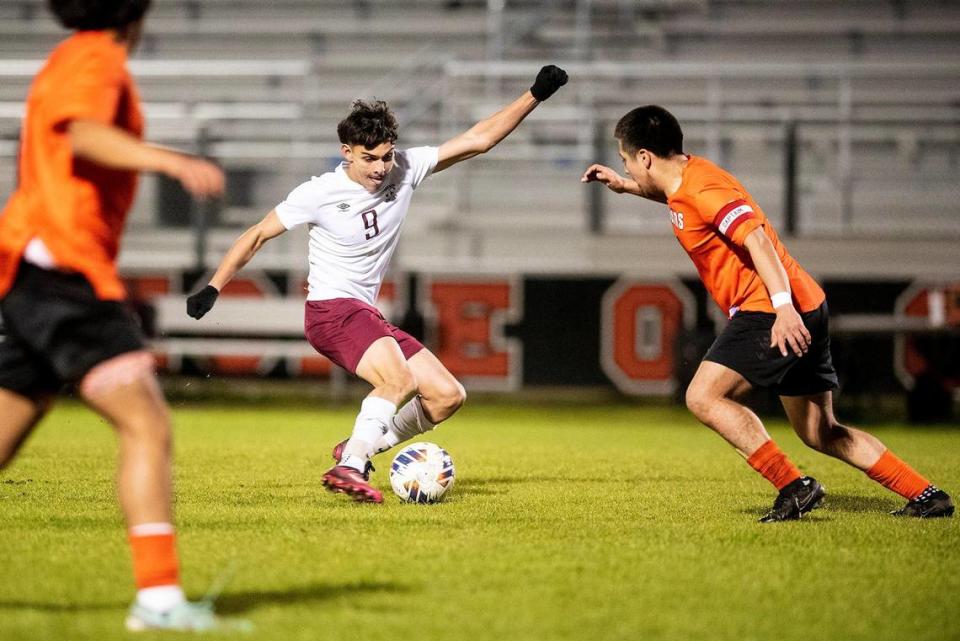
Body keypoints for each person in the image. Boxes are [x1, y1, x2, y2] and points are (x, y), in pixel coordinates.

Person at [186, 66, 569, 503]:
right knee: (398, 380)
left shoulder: (405, 168)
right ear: (346, 152)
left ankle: (363, 447)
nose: (381, 168)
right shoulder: (319, 192)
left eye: (387, 156)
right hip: (332, 311)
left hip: (365, 314)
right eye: (369, 158)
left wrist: (535, 94)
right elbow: (255, 235)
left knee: (447, 396)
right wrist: (214, 286)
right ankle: (349, 466)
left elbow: (479, 139)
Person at [582, 105, 953, 522]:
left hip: (771, 308)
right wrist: (627, 186)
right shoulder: (685, 182)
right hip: (803, 303)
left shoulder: (704, 189)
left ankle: (794, 486)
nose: (627, 166)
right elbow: (673, 197)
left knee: (703, 396)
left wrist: (782, 309)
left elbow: (757, 240)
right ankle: (927, 495)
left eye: (627, 160)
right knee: (819, 431)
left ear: (645, 157)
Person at [0, 0, 243, 631]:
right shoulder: (96, 58)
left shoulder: (66, 55)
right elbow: (82, 133)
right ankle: (159, 601)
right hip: (63, 272)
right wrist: (170, 160)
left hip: (28, 266)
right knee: (147, 425)